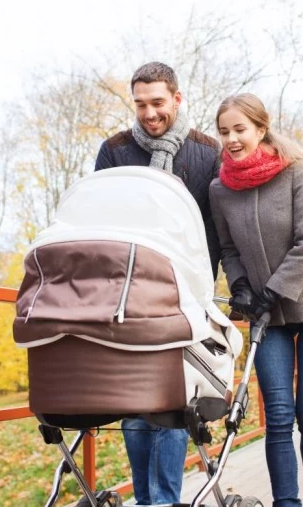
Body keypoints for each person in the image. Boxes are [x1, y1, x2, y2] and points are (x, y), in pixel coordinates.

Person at [209, 93, 303, 507]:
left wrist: (271, 290)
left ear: (260, 128)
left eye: (240, 129)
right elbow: (229, 249)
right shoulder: (220, 189)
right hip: (265, 318)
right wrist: (240, 287)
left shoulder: (297, 173)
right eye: (224, 132)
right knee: (278, 418)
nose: (232, 139)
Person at [94, 61, 221, 505]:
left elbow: (216, 228)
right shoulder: (114, 151)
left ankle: (164, 499)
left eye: (158, 103)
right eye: (141, 104)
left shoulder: (207, 153)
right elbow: (101, 220)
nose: (149, 113)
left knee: (174, 398)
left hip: (187, 290)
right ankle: (147, 499)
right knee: (134, 402)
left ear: (177, 99)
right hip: (129, 291)